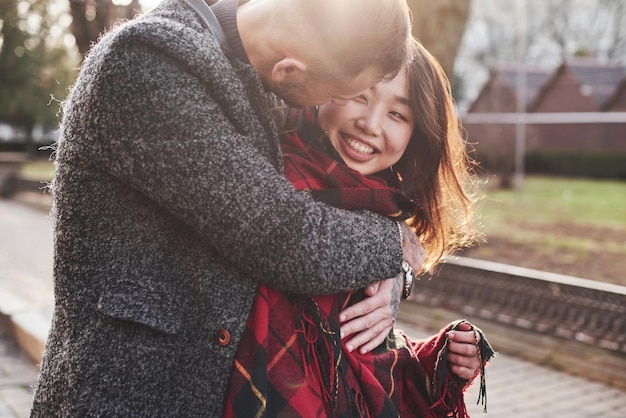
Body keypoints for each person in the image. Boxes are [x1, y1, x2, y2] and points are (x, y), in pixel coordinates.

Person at [30, 0, 421, 416]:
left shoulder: (245, 69)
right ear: (289, 71)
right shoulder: (146, 62)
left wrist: (399, 275)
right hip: (124, 396)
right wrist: (395, 242)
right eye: (341, 95)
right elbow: (282, 235)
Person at [223, 39, 494, 417]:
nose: (370, 124)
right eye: (358, 95)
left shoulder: (385, 208)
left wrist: (440, 360)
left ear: (417, 135)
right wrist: (394, 252)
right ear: (325, 86)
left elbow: (362, 352)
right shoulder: (266, 164)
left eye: (398, 115)